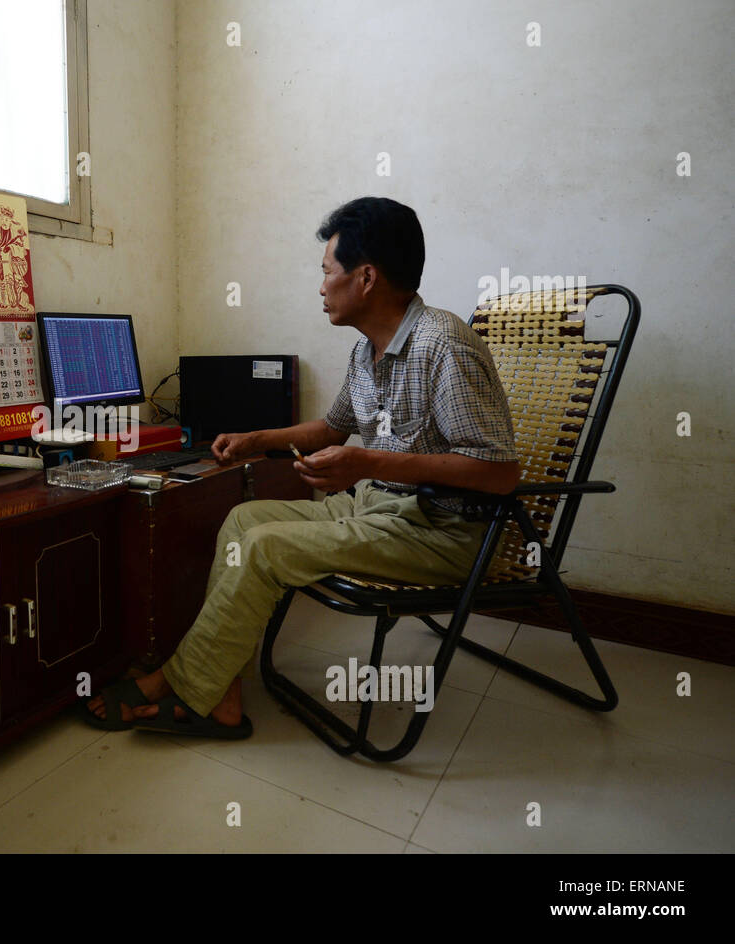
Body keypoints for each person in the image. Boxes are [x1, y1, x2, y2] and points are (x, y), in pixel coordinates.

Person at [81, 196, 519, 738]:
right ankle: (222, 700)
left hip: (445, 531)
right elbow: (333, 428)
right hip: (380, 510)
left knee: (264, 547)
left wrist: (367, 462)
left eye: (326, 272)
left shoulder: (444, 345)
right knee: (243, 524)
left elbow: (499, 473)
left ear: (365, 277)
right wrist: (255, 439)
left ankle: (181, 681)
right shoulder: (368, 352)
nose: (320, 287)